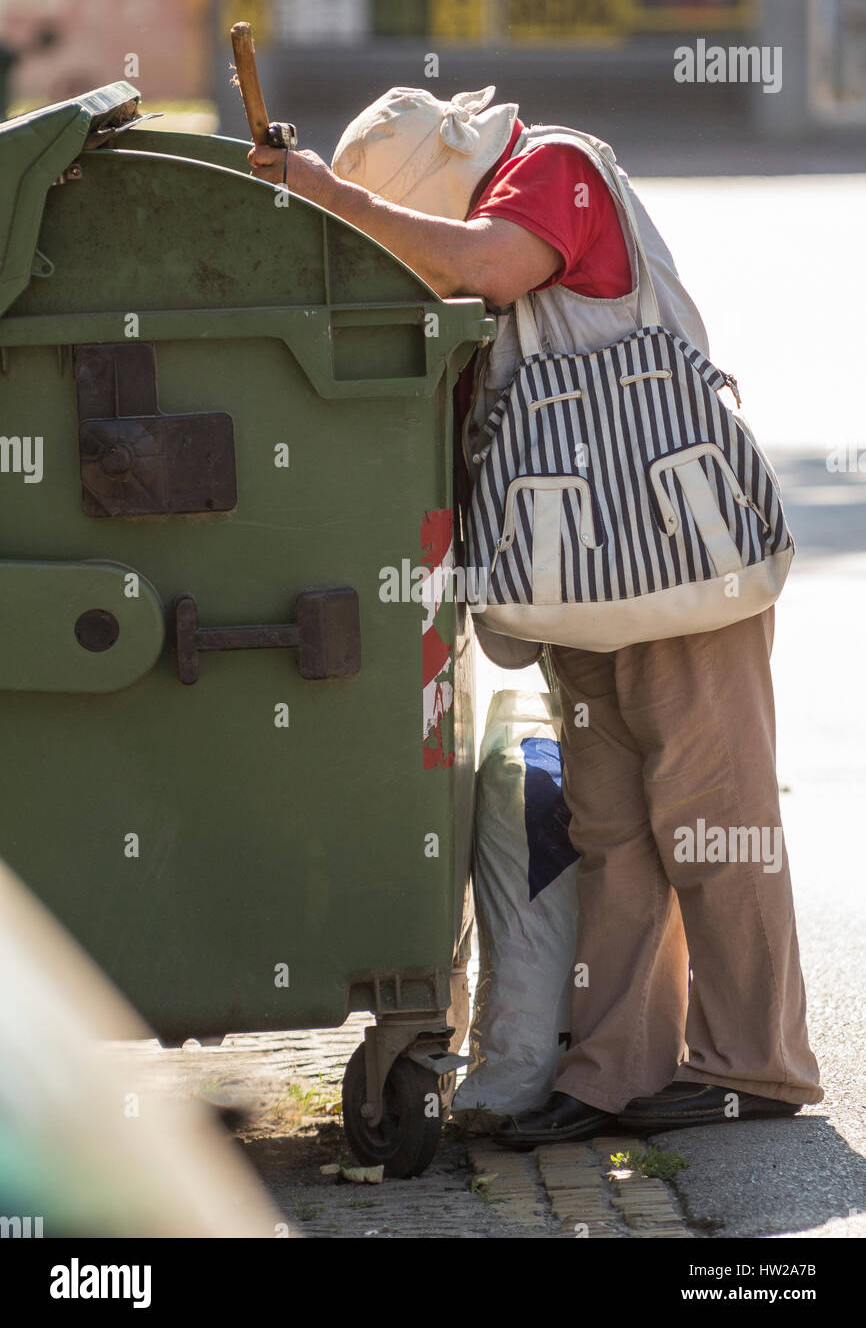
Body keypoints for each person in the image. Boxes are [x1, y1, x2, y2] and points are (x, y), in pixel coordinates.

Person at [249, 86, 822, 1146]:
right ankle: (612, 1071)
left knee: (714, 814)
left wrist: (335, 197)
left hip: (670, 555)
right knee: (609, 830)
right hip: (582, 579)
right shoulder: (492, 199)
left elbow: (491, 265)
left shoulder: (550, 165)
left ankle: (755, 1063)